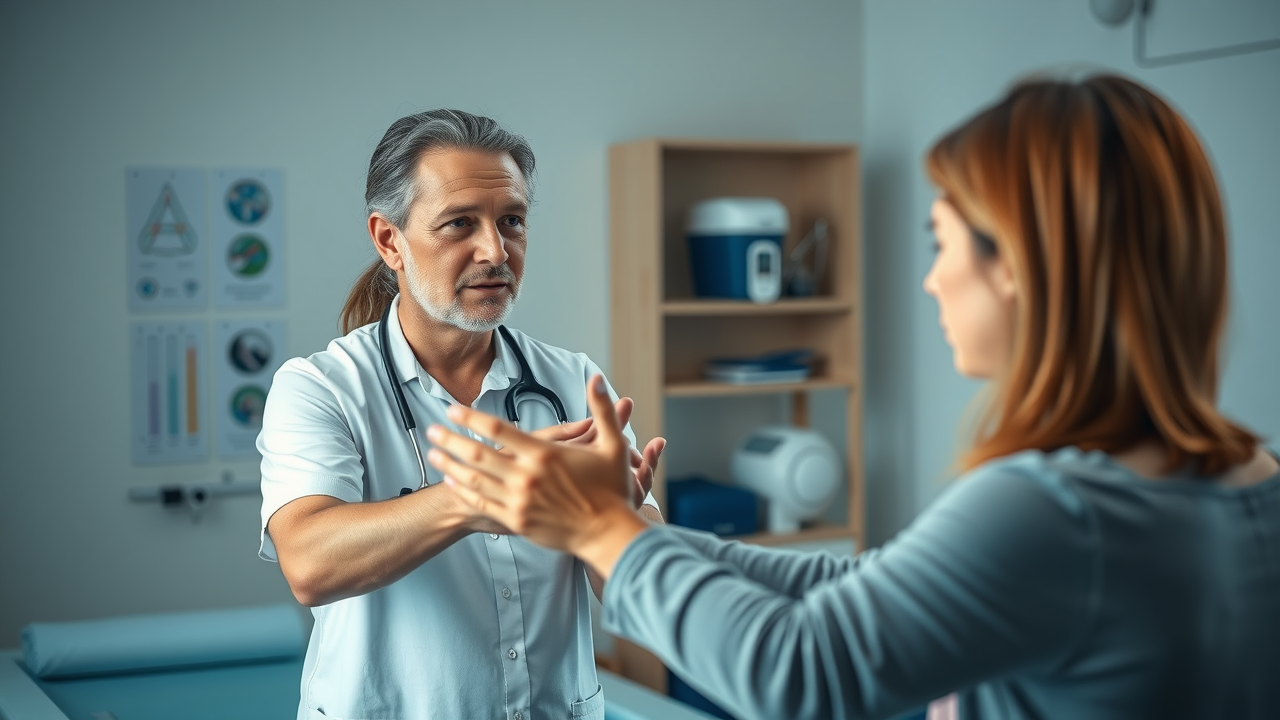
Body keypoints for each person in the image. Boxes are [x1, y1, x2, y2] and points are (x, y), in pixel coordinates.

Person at [424, 75, 1280, 720]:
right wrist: (641, 530)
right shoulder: (1251, 476)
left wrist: (596, 530)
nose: (931, 279)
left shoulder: (1057, 510)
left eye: (943, 243)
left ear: (1020, 267)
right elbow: (865, 585)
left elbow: (802, 671)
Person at [256, 109, 664, 720]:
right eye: (459, 223)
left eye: (512, 221)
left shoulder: (575, 384)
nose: (496, 250)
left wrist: (619, 525)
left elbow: (648, 604)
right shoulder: (321, 388)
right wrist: (480, 496)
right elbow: (310, 563)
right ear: (389, 240)